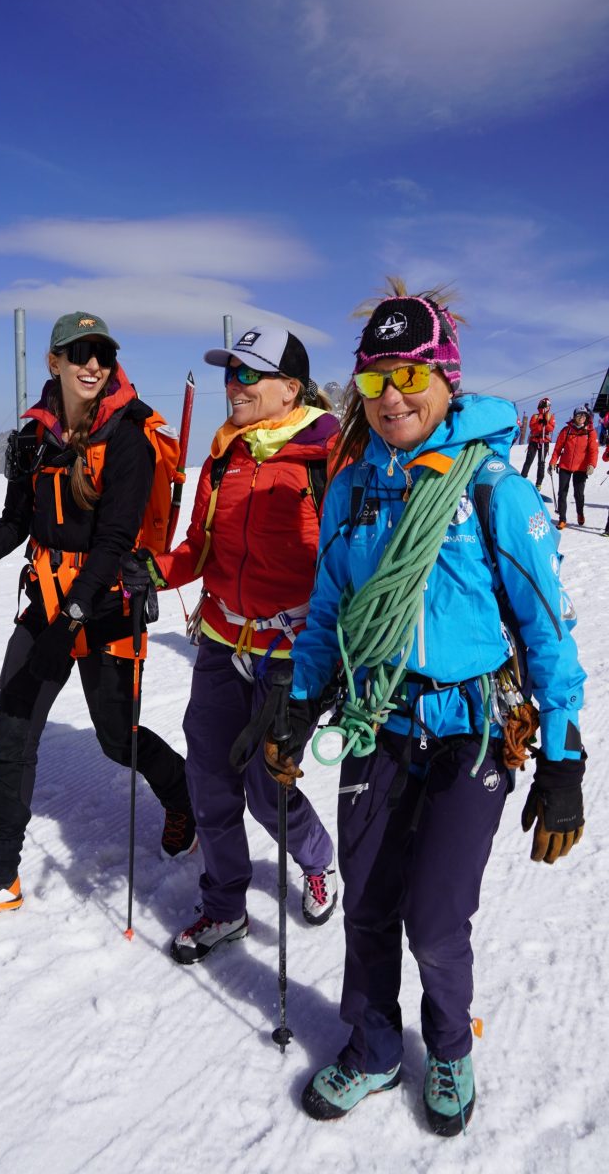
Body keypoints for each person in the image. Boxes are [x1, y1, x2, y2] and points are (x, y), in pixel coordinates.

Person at [267, 282, 586, 1135]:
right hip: (377, 721)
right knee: (367, 907)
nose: (393, 397)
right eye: (374, 381)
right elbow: (329, 611)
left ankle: (447, 1046)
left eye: (411, 375)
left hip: (469, 733)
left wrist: (563, 757)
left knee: (437, 921)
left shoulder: (491, 488)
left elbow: (548, 632)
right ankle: (373, 1047)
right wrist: (299, 708)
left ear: (448, 379)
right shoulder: (353, 488)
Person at [0, 312, 196, 929]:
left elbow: (115, 542)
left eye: (101, 352)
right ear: (56, 362)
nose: (91, 363)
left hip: (103, 608)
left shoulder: (127, 437)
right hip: (46, 602)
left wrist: (69, 624)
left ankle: (183, 798)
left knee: (116, 736)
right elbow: (17, 520)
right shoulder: (35, 436)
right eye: (79, 353)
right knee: (12, 733)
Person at [123, 326, 340, 964]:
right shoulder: (224, 455)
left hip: (288, 650)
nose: (233, 385)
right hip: (221, 641)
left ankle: (317, 857)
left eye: (250, 375)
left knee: (265, 787)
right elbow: (201, 547)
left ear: (290, 389)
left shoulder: (328, 460)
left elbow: (345, 562)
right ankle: (224, 908)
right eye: (229, 373)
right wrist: (159, 570)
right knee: (210, 782)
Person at [549, 406, 598, 529]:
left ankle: (580, 513)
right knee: (562, 493)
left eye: (584, 416)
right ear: (574, 417)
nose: (581, 418)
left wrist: (591, 464)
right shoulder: (566, 430)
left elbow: (593, 450)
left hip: (581, 468)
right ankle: (562, 519)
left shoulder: (590, 432)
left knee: (578, 494)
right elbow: (558, 448)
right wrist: (553, 462)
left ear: (587, 418)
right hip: (565, 465)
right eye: (579, 415)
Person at [520, 396, 555, 489]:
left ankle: (539, 483)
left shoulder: (550, 416)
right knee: (529, 460)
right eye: (544, 405)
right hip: (534, 440)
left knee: (541, 462)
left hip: (544, 441)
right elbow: (532, 427)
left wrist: (546, 423)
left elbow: (551, 428)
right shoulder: (535, 416)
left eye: (547, 406)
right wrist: (539, 423)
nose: (546, 408)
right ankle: (522, 478)